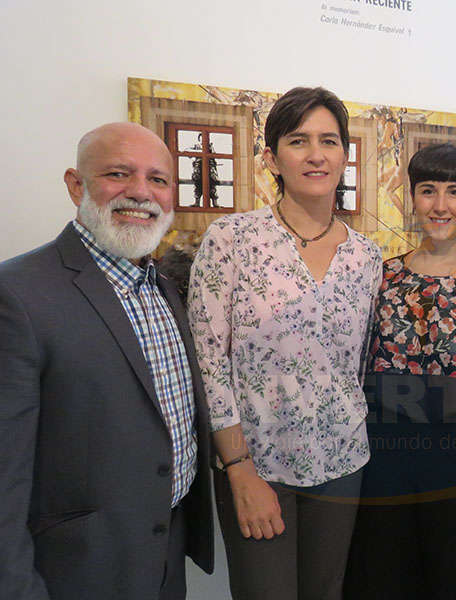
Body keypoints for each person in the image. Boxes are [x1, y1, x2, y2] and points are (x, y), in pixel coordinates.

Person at [0, 122, 214, 599]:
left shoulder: (160, 286)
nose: (141, 193)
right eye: (119, 173)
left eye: (158, 179)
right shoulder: (16, 295)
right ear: (76, 185)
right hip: (78, 571)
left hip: (163, 556)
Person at [188, 86, 381, 600]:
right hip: (258, 465)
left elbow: (357, 366)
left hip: (343, 460)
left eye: (329, 141)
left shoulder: (367, 255)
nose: (316, 154)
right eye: (298, 141)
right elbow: (209, 363)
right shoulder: (231, 239)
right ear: (272, 157)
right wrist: (239, 470)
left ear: (345, 154)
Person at [344, 143, 456, 599]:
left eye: (453, 192)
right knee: (382, 582)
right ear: (411, 198)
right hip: (384, 460)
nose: (440, 205)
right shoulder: (382, 278)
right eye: (428, 191)